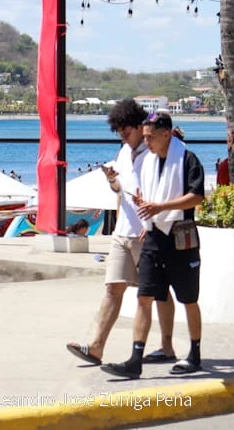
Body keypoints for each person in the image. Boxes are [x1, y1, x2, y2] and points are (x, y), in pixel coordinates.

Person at [66, 100, 176, 368]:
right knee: (113, 288)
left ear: (140, 126)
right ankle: (95, 346)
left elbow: (166, 190)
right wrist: (112, 179)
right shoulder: (124, 152)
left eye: (126, 132)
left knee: (158, 291)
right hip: (122, 230)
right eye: (119, 133)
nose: (123, 138)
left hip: (146, 232)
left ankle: (167, 346)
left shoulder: (155, 152)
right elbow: (121, 189)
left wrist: (152, 225)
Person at [100, 111, 206, 378]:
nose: (146, 142)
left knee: (188, 298)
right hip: (153, 234)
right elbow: (145, 195)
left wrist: (160, 207)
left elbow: (196, 197)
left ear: (166, 134)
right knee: (144, 296)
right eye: (144, 137)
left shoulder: (187, 159)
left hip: (181, 235)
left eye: (151, 137)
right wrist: (145, 209)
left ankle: (194, 353)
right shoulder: (147, 162)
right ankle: (135, 358)